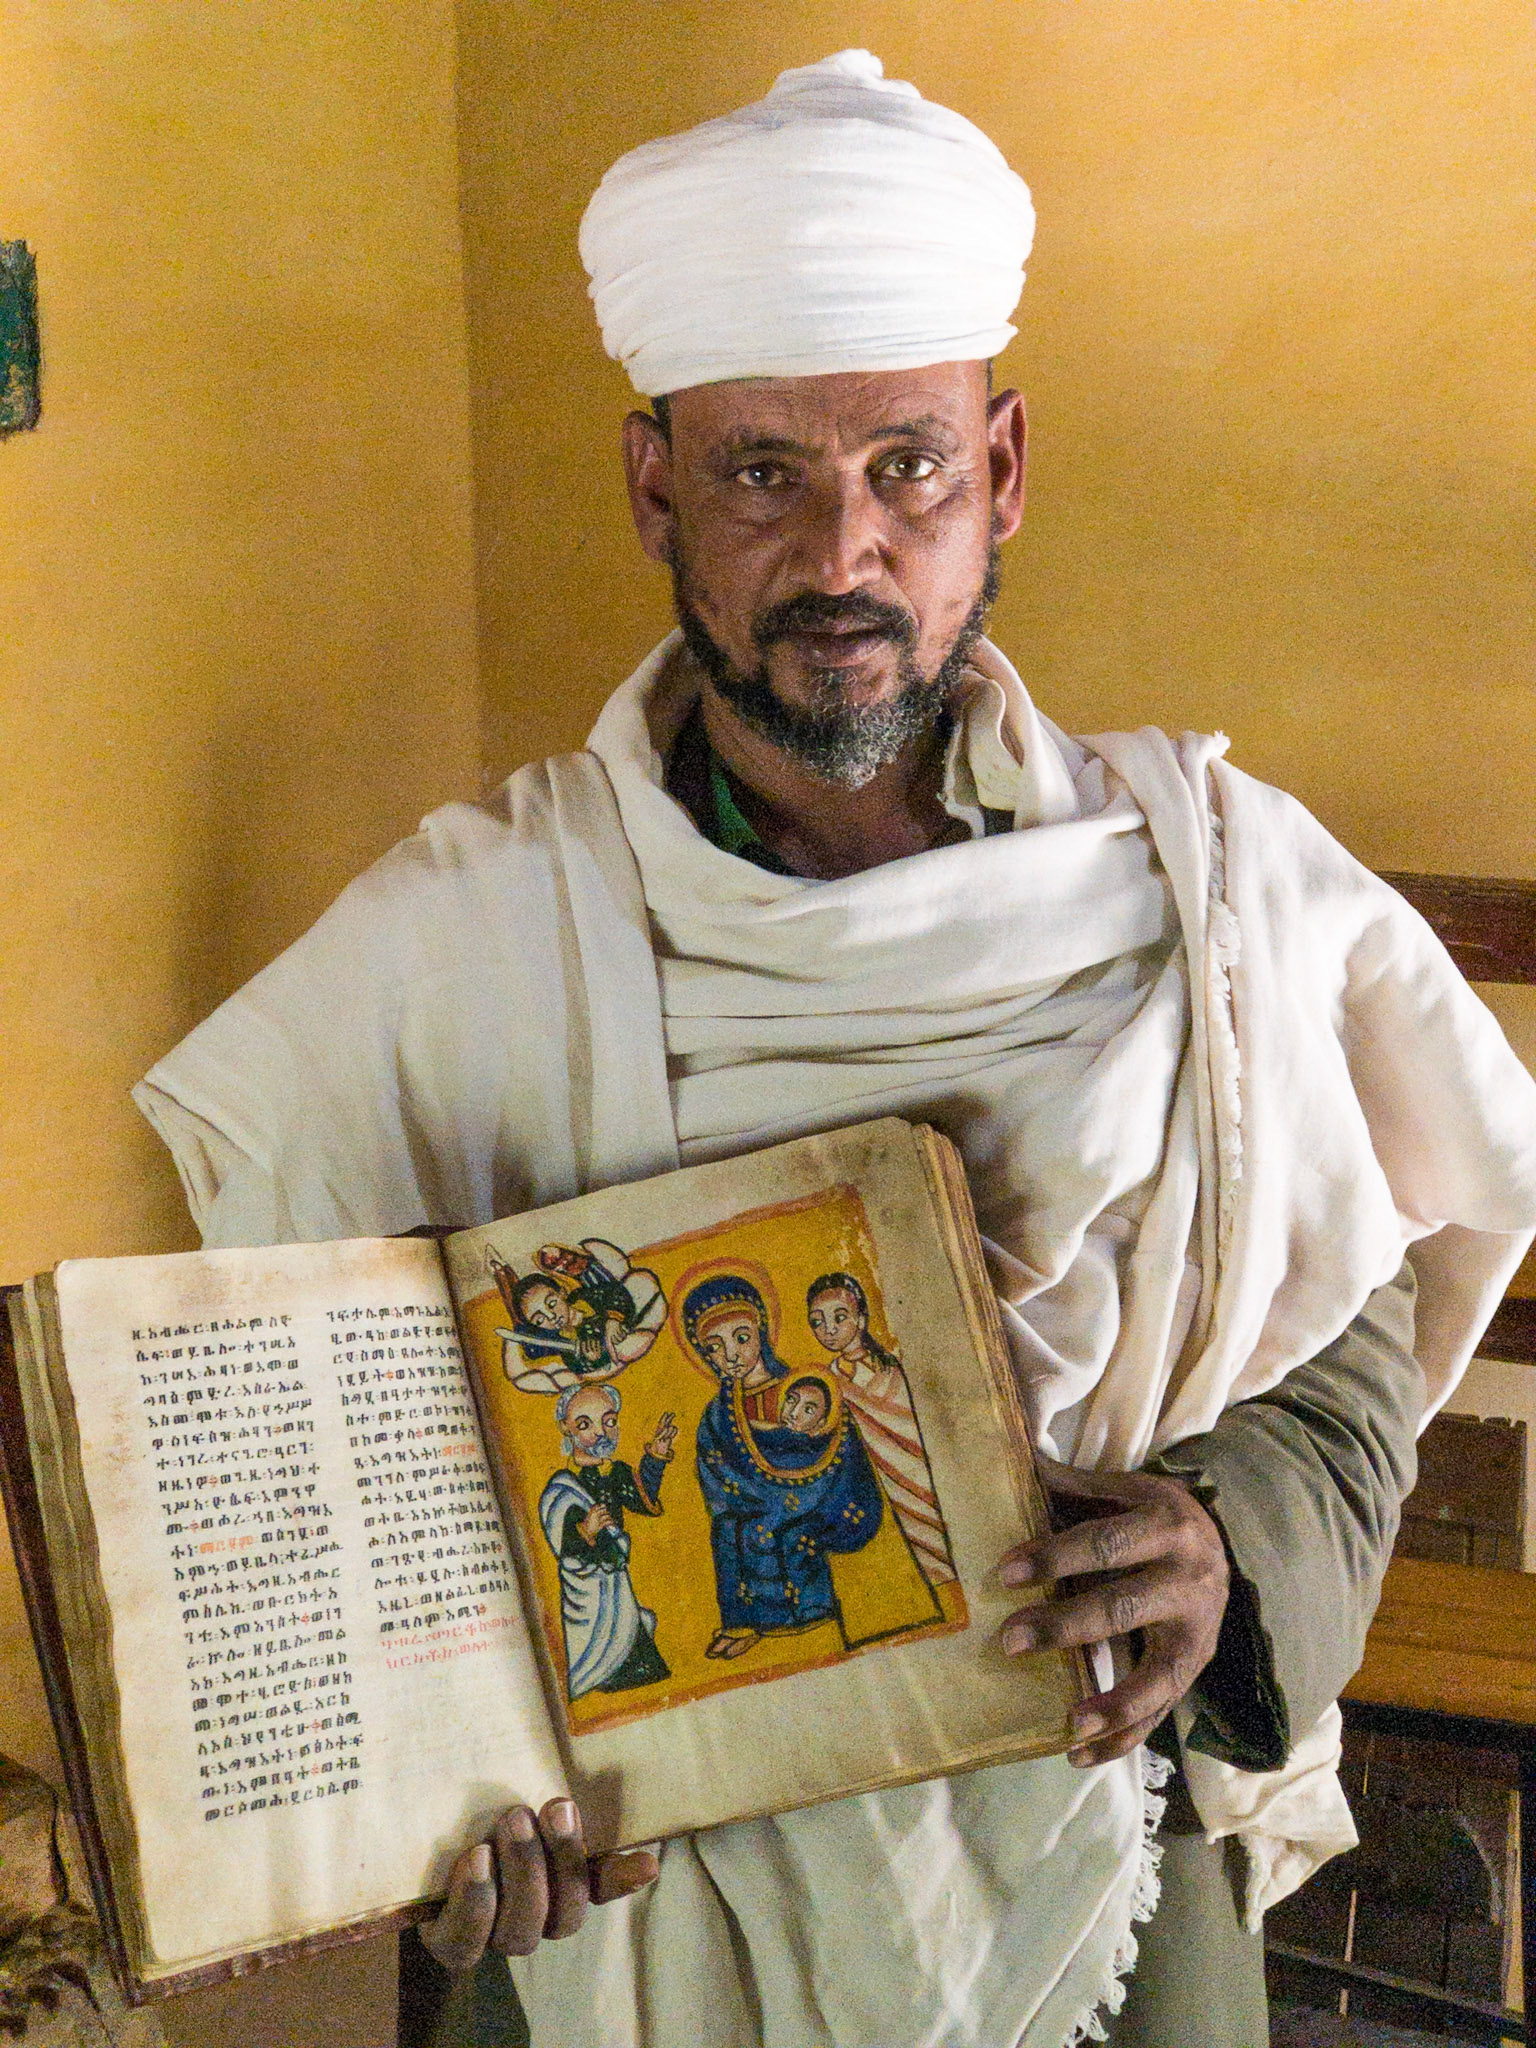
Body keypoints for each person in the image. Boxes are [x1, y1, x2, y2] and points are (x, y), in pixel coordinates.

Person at [132, 49, 1536, 2048]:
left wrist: (1228, 1546)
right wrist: (434, 1785)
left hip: (1111, 1844)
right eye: (760, 474)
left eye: (908, 466)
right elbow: (319, 1474)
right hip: (622, 1903)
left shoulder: (1219, 899)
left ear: (1005, 471)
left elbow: (1356, 1339)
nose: (842, 553)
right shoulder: (468, 942)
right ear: (654, 488)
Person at [682, 1275, 889, 1659]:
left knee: (765, 1528)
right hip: (753, 1501)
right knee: (728, 1529)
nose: (731, 1355)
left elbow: (833, 1447)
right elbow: (713, 1468)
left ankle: (806, 1611)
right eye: (715, 1347)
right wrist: (749, 1496)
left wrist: (776, 1496)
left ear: (761, 1333)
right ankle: (743, 1623)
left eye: (741, 1338)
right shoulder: (716, 1414)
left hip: (817, 1495)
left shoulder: (803, 1387)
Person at [806, 1270, 958, 1588]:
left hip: (928, 1470)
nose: (828, 1329)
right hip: (886, 1481)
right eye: (818, 1322)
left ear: (861, 1319)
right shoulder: (831, 1382)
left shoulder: (895, 1365)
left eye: (839, 1317)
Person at [537, 1383, 676, 1700]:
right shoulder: (563, 1486)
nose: (600, 1433)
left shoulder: (616, 1473)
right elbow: (561, 1541)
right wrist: (585, 1530)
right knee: (593, 1642)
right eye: (585, 1424)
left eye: (609, 1421)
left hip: (616, 1580)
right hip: (586, 1587)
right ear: (566, 1428)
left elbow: (643, 1499)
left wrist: (655, 1457)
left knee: (630, 1639)